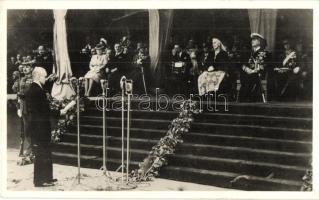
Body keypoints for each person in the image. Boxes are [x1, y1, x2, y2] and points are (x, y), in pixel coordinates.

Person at [25, 67, 66, 187]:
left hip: (39, 126)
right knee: (41, 153)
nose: (45, 78)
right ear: (38, 76)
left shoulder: (35, 88)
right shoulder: (37, 90)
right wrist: (60, 113)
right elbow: (44, 110)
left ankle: (47, 178)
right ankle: (39, 181)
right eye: (44, 76)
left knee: (45, 152)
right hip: (39, 127)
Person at [239, 33, 271, 102]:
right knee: (243, 75)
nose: (252, 41)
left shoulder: (264, 53)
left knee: (249, 78)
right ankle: (242, 100)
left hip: (258, 74)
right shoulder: (250, 53)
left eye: (254, 39)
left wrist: (252, 71)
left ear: (259, 41)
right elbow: (243, 64)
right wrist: (246, 69)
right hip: (248, 74)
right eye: (252, 39)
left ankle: (246, 99)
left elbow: (262, 66)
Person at [12, 64, 34, 159]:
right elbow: (17, 93)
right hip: (23, 108)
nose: (25, 68)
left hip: (32, 107)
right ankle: (29, 148)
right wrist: (18, 108)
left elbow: (29, 92)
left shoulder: (34, 79)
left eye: (28, 67)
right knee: (26, 130)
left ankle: (32, 149)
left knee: (32, 128)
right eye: (24, 67)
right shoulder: (21, 79)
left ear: (32, 68)